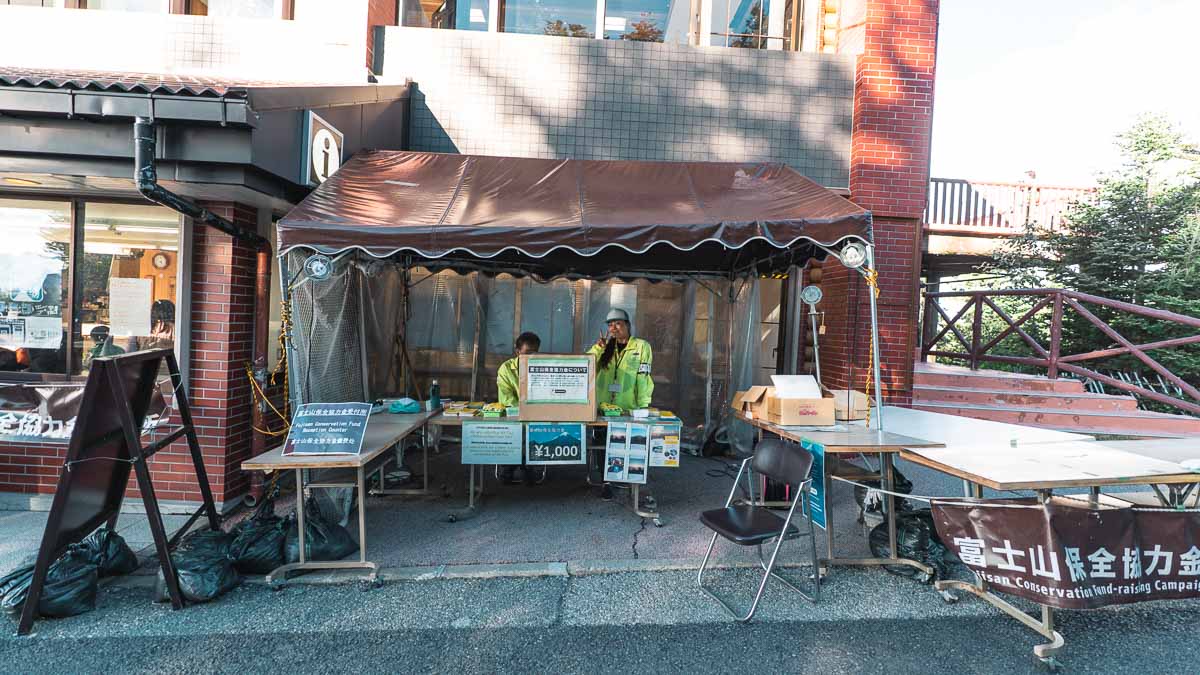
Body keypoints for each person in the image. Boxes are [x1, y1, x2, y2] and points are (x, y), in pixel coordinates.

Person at [587, 308, 654, 499]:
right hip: (604, 406)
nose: (613, 328)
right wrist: (598, 348)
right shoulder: (605, 347)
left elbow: (644, 377)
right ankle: (607, 481)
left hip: (627, 407)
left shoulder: (642, 347)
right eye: (610, 325)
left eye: (618, 323)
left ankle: (624, 477)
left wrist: (642, 406)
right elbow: (587, 366)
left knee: (623, 443)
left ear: (628, 325)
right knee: (602, 442)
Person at [497, 331, 541, 485]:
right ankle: (509, 465)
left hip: (535, 415)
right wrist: (526, 411)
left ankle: (530, 465)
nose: (532, 356)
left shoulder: (541, 367)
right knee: (515, 430)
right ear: (517, 352)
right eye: (528, 353)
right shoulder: (506, 369)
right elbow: (506, 398)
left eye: (535, 352)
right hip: (513, 415)